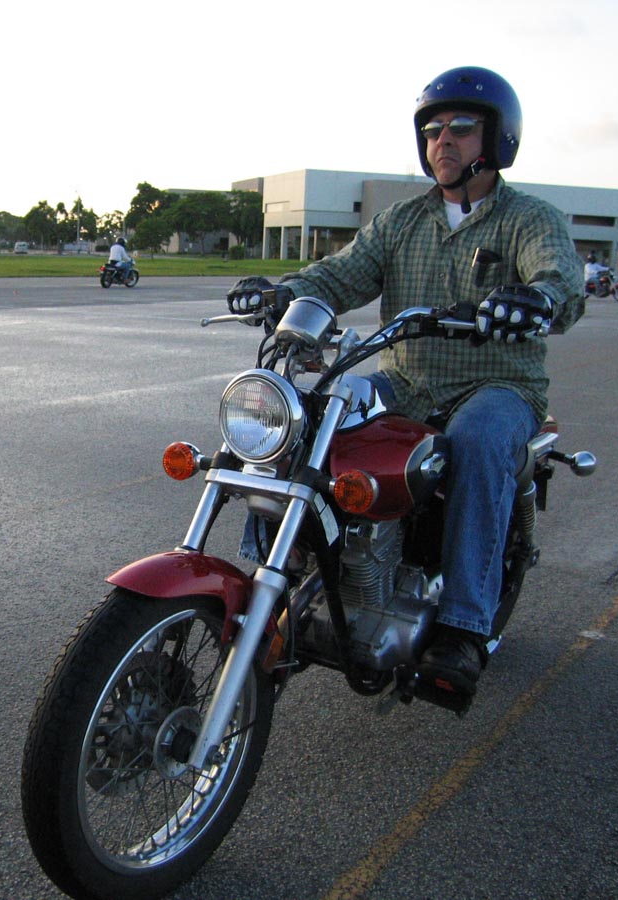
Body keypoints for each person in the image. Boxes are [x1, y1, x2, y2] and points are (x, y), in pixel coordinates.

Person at [226, 66, 585, 701]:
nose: (443, 140)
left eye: (461, 127)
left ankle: (463, 630)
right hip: (407, 380)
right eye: (433, 129)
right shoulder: (401, 221)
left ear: (497, 138)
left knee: (477, 440)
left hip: (497, 384)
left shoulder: (530, 218)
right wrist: (287, 291)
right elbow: (341, 273)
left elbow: (558, 276)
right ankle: (286, 572)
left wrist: (538, 298)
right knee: (307, 419)